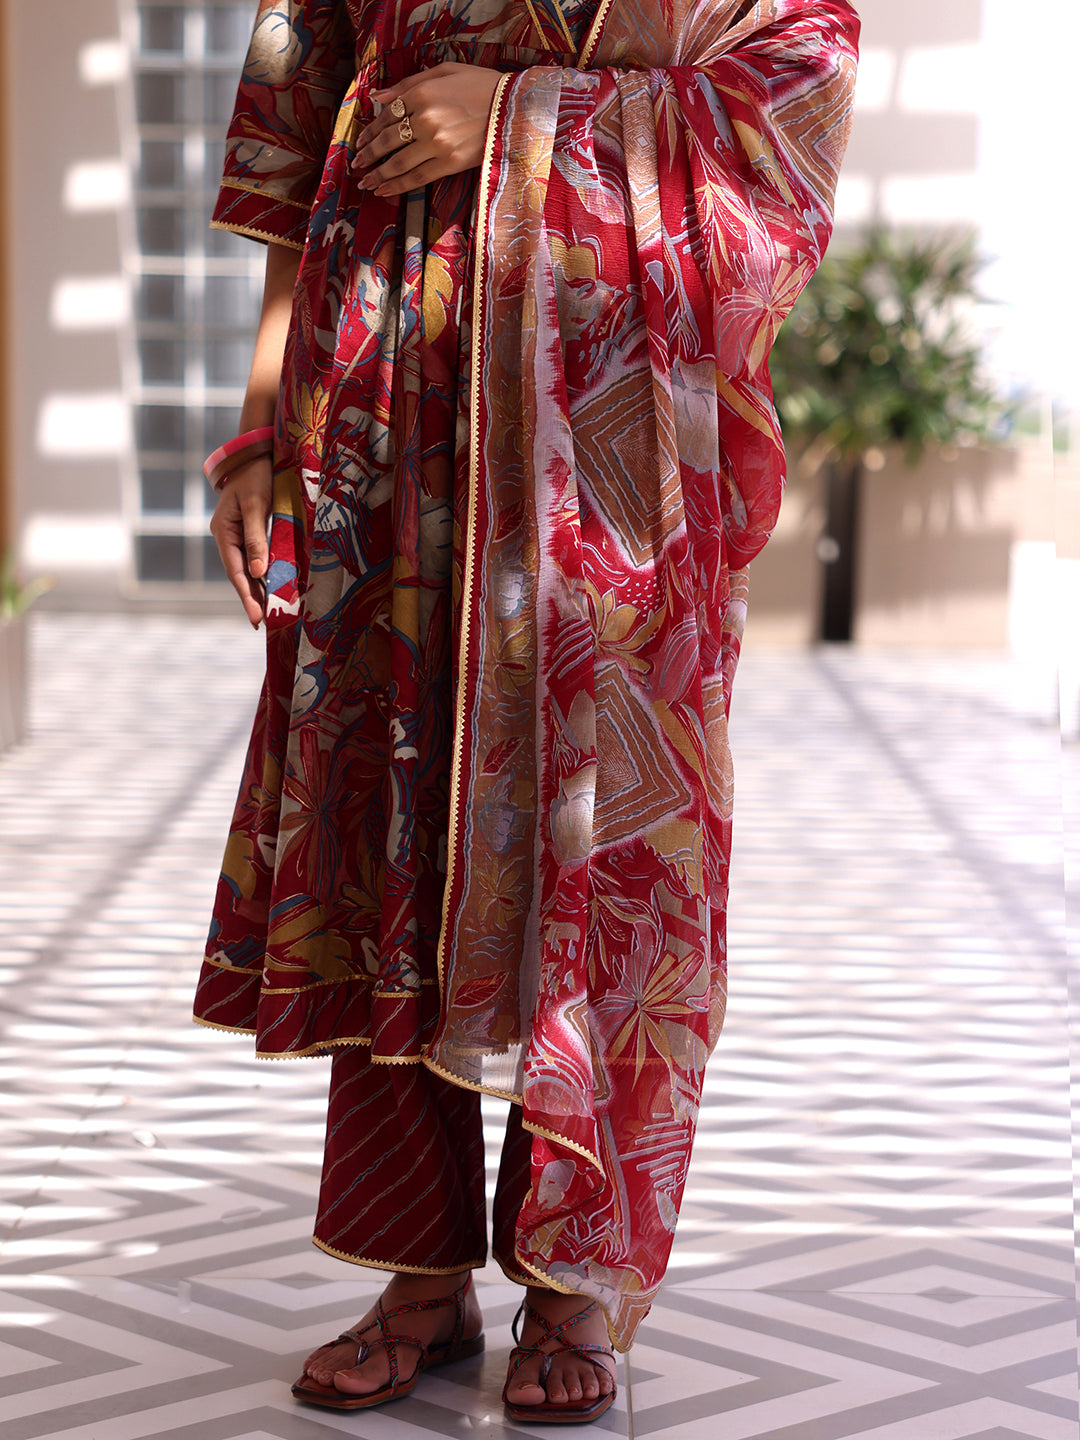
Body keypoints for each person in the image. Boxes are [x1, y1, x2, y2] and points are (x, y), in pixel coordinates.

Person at [196, 0, 858, 1423]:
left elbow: (796, 87)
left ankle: (578, 1282)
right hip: (387, 397)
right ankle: (417, 1273)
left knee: (614, 830)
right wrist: (260, 420)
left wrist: (513, 118)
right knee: (397, 812)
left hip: (617, 429)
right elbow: (303, 122)